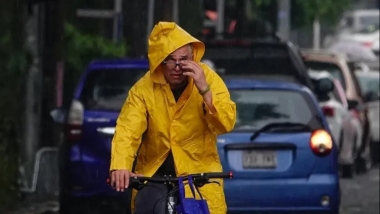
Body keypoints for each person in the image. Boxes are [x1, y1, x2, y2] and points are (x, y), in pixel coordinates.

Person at [109, 21, 237, 214]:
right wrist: (120, 166)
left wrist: (205, 90)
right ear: (160, 61)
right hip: (155, 177)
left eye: (183, 59)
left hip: (199, 176)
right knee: (148, 207)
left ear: (193, 57)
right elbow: (127, 130)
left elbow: (226, 123)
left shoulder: (207, 78)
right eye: (170, 59)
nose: (177, 67)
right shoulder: (143, 89)